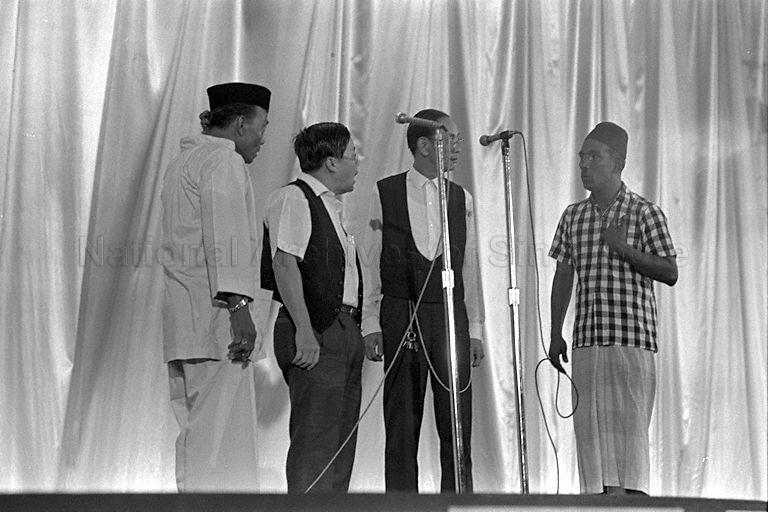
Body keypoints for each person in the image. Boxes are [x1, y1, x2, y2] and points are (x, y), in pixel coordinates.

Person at [548, 121, 678, 496]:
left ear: (617, 162)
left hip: (631, 344)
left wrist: (624, 249)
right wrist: (556, 332)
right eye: (581, 157)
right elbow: (563, 275)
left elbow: (669, 272)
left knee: (630, 447)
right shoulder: (573, 216)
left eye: (594, 156)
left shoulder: (645, 212)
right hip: (587, 343)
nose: (585, 165)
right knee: (592, 447)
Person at [361, 109, 485, 493]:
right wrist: (371, 322)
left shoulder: (460, 198)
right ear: (424, 145)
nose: (458, 148)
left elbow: (469, 266)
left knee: (456, 422)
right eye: (451, 139)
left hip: (449, 315)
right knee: (401, 423)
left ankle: (458, 502)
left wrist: (475, 328)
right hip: (402, 311)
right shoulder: (385, 193)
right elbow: (368, 260)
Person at [161, 82, 272, 491]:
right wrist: (240, 309)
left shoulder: (185, 162)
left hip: (187, 322)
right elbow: (223, 238)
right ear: (241, 124)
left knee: (198, 433)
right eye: (262, 126)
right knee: (221, 441)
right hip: (216, 323)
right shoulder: (222, 162)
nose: (262, 138)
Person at [261, 122, 364, 493]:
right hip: (316, 328)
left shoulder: (330, 206)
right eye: (353, 155)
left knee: (339, 444)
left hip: (343, 328)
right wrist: (305, 330)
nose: (358, 163)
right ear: (332, 162)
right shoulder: (294, 198)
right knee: (315, 443)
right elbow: (284, 263)